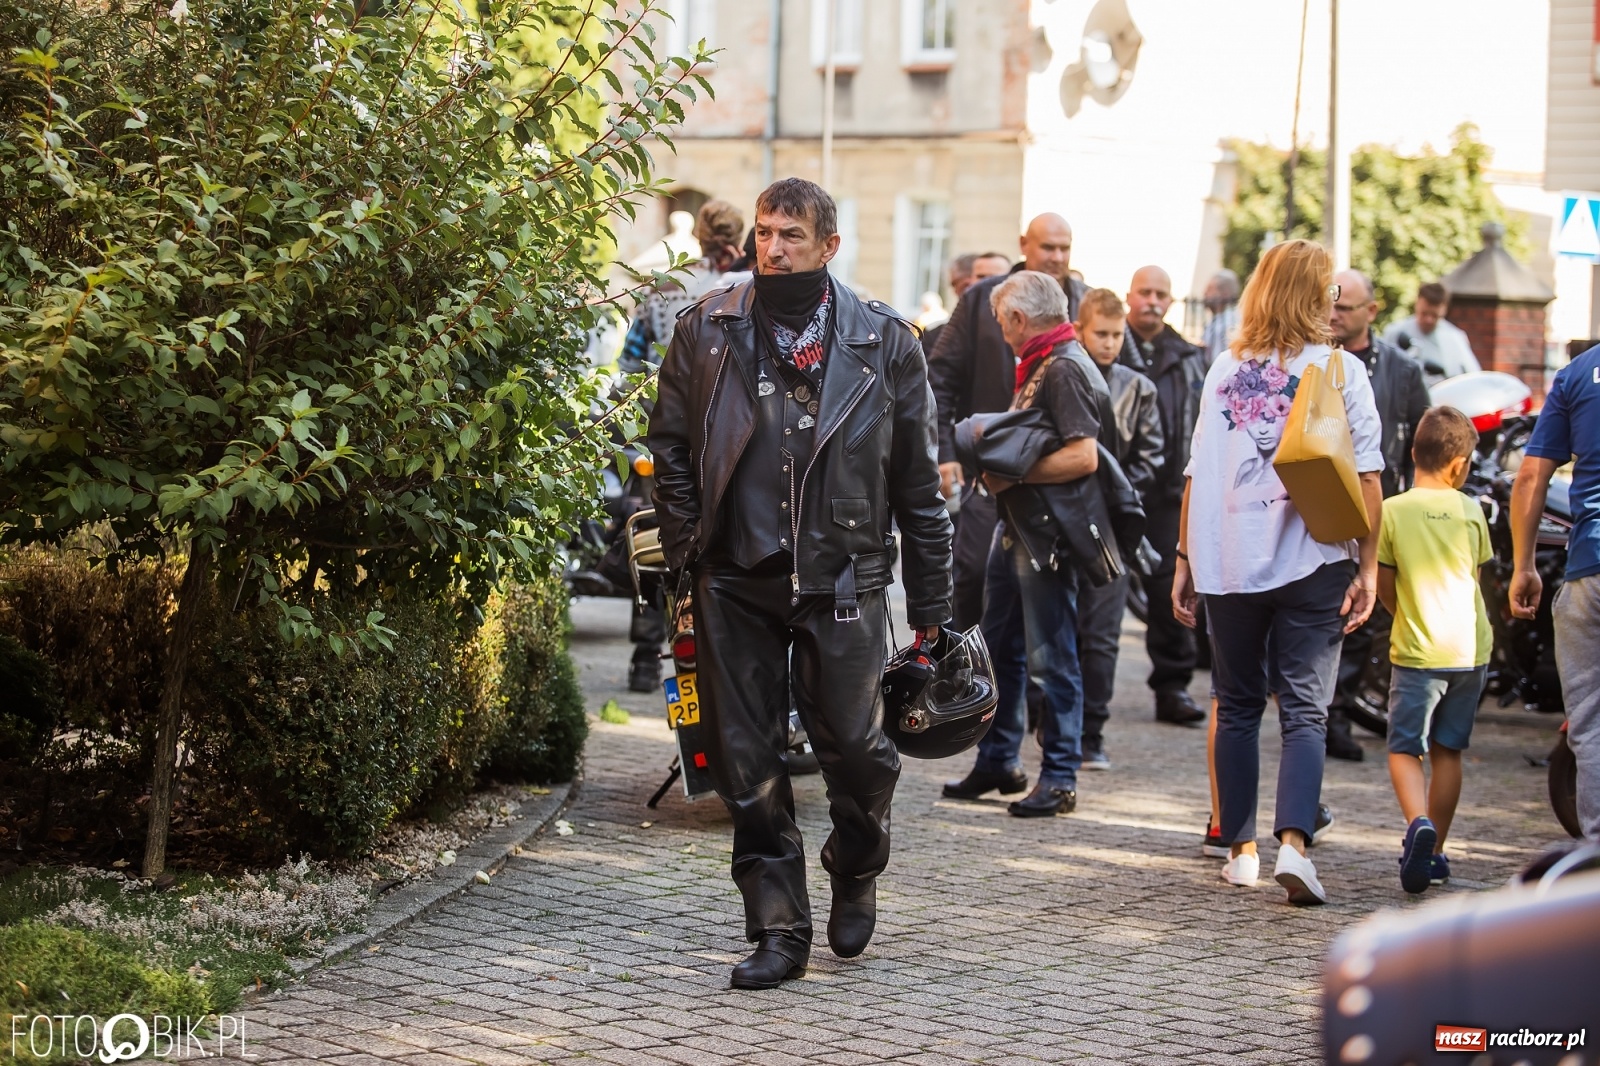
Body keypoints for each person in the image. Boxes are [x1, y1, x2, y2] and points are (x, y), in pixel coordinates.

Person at [647, 178, 953, 988]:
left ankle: (857, 858)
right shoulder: (706, 327)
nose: (773, 249)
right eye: (764, 233)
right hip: (733, 573)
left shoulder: (886, 340)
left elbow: (919, 484)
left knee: (858, 749)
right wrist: (689, 547)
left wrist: (933, 607)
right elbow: (668, 447)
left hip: (843, 573)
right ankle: (778, 927)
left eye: (790, 236)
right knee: (744, 759)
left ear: (828, 247)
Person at [1172, 239, 1384, 906]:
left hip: (1229, 559)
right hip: (1314, 559)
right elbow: (1369, 476)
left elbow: (1197, 472)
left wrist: (1185, 558)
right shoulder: (1342, 370)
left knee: (1235, 704)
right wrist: (1369, 565)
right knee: (1304, 710)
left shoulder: (1223, 369)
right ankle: (1294, 845)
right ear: (1318, 297)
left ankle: (1240, 851)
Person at [942, 271, 1105, 815]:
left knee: (1051, 660)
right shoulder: (1045, 359)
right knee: (1000, 649)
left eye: (1001, 321)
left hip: (1045, 537)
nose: (1001, 331)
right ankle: (998, 761)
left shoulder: (1064, 366)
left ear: (1017, 318)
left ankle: (1059, 777)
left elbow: (1084, 456)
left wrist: (1012, 476)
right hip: (1020, 529)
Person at [929, 214, 1088, 632]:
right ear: (1024, 244)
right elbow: (939, 378)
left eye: (1064, 248)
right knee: (974, 572)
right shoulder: (982, 299)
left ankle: (1030, 676)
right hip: (989, 466)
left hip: (1059, 473)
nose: (1057, 257)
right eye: (1048, 247)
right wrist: (946, 453)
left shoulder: (1084, 301)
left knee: (1050, 589)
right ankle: (968, 664)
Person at [1377, 406, 1492, 893]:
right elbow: (1475, 578)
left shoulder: (1393, 510)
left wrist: (1403, 613)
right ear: (1460, 465)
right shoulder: (1471, 510)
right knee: (1449, 751)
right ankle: (1437, 851)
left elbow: (1384, 583)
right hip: (1470, 650)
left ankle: (1417, 824)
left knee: (1405, 749)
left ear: (1412, 453)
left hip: (1418, 650)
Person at [1325, 269, 1429, 760]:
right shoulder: (1316, 360)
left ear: (1371, 311)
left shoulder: (1402, 370)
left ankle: (1336, 717)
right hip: (1323, 501)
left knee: (1362, 619)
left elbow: (1421, 445)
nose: (1334, 314)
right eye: (1331, 303)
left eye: (1345, 307)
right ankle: (1317, 713)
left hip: (1379, 505)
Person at [1511, 342, 1600, 842]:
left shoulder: (1577, 374)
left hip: (1590, 568)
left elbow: (1530, 476)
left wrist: (1524, 565)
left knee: (1590, 724)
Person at [1073, 288, 1163, 771]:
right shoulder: (1065, 375)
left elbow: (1152, 457)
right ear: (1081, 332)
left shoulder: (1138, 388)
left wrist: (1117, 495)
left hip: (1113, 524)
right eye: (1101, 334)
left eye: (1116, 335)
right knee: (1063, 627)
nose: (1109, 343)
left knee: (1103, 633)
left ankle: (1093, 730)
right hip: (1067, 520)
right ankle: (1058, 721)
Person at [1120, 265, 1208, 726]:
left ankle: (1173, 687)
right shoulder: (1110, 344)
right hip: (1115, 489)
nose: (1152, 301)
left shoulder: (1189, 357)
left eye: (1161, 294)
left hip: (1169, 491)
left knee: (1167, 587)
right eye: (1145, 292)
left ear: (1170, 302)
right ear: (1129, 296)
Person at [1382, 281, 1481, 387]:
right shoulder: (1395, 333)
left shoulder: (1456, 338)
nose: (1428, 320)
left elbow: (1474, 377)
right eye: (1424, 314)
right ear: (1417, 303)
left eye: (1435, 316)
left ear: (1444, 309)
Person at [921, 253, 1011, 359]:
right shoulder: (936, 337)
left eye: (995, 279)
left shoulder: (1020, 332)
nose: (986, 287)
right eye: (981, 277)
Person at [1200, 269, 1241, 368]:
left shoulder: (1227, 324)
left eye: (1210, 289)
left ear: (1225, 294)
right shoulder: (1216, 320)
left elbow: (1218, 364)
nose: (1205, 293)